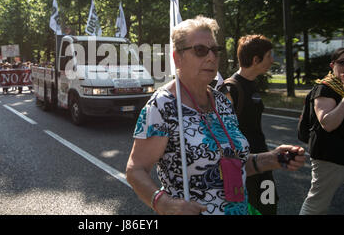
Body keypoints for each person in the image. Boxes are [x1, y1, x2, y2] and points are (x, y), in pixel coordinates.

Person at [125, 16, 306, 215]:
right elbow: (135, 170)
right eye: (200, 50)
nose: (211, 57)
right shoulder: (163, 105)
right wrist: (164, 204)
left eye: (215, 50)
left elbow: (231, 163)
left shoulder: (222, 102)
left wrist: (272, 159)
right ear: (178, 58)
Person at [219, 35, 278, 215]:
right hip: (243, 165)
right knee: (250, 208)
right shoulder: (230, 88)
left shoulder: (252, 84)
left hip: (264, 158)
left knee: (269, 205)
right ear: (255, 59)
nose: (272, 60)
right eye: (269, 56)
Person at [300, 47, 344, 215]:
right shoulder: (325, 88)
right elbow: (328, 123)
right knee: (317, 204)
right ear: (332, 65)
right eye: (342, 63)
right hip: (330, 155)